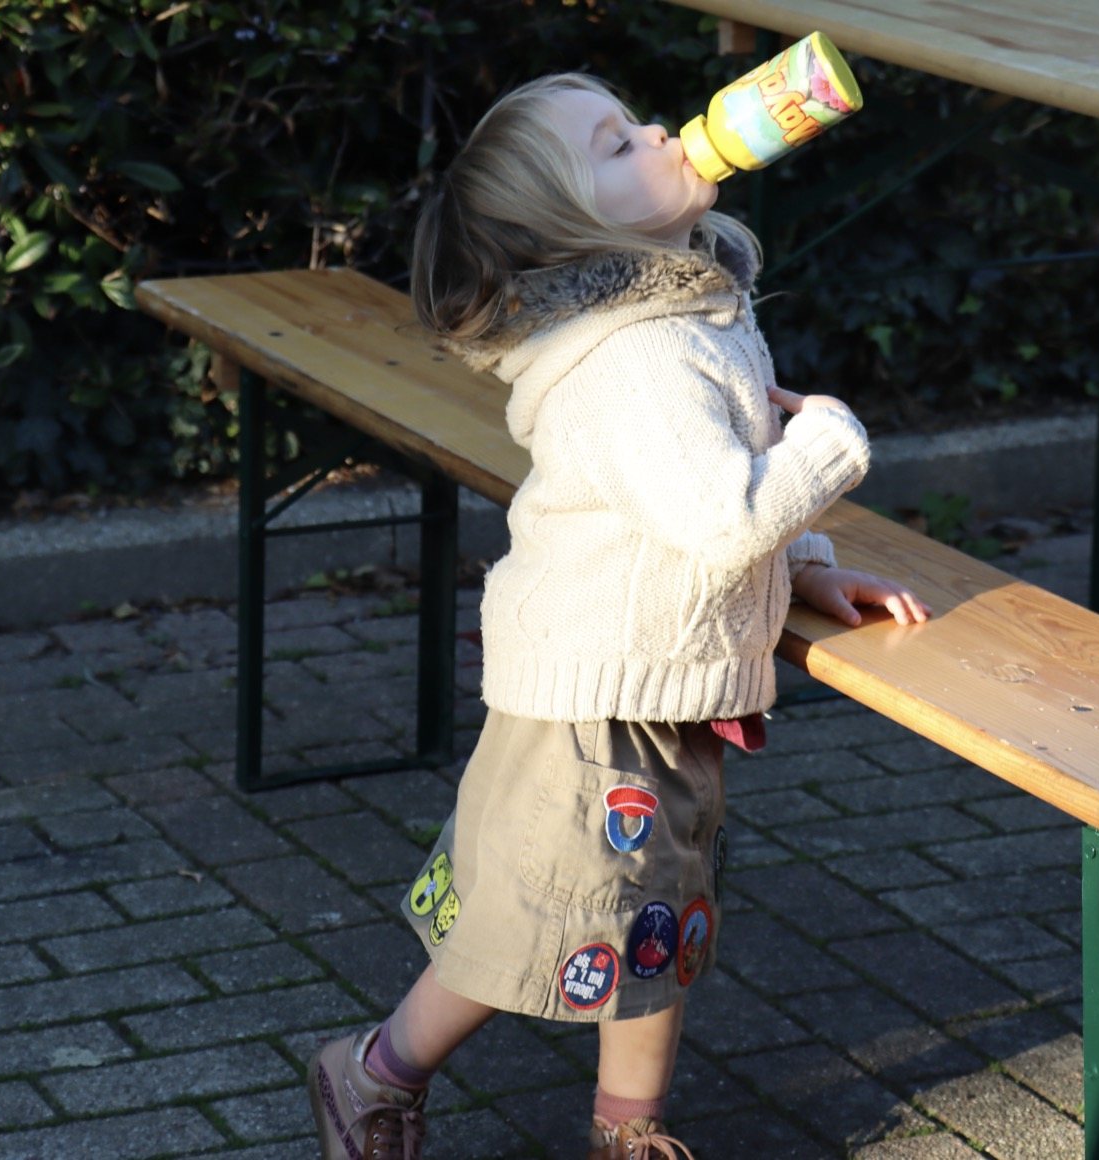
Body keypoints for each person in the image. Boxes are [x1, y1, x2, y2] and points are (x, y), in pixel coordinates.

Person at [307, 72, 929, 1160]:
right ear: (574, 230)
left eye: (633, 119)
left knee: (652, 917)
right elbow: (726, 514)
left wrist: (808, 567)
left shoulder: (687, 311)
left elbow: (720, 479)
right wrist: (830, 439)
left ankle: (628, 1129)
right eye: (614, 145)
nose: (654, 131)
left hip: (661, 676)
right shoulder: (638, 354)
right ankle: (375, 1068)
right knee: (539, 915)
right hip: (597, 698)